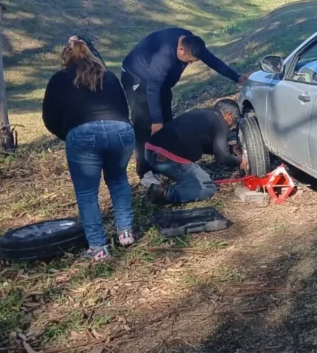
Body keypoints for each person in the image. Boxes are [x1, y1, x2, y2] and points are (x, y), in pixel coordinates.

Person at [42, 36, 136, 261]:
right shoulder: (109, 76)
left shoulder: (59, 79)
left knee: (87, 194)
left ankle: (98, 247)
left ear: (66, 58)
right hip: (121, 130)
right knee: (118, 180)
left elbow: (49, 117)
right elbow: (124, 109)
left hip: (83, 133)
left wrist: (68, 135)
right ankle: (125, 232)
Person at [120, 28, 242, 180]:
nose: (190, 64)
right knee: (146, 122)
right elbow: (152, 88)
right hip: (137, 77)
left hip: (159, 82)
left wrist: (237, 77)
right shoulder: (164, 56)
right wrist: (156, 121)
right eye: (189, 61)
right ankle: (145, 172)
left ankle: (166, 162)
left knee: (167, 121)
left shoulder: (193, 44)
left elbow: (213, 61)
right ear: (181, 50)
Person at [144, 98, 246, 205]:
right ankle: (164, 194)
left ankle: (173, 185)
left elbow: (204, 143)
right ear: (228, 115)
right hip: (168, 158)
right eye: (233, 121)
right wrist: (240, 161)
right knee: (207, 188)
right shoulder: (221, 122)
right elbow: (223, 157)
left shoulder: (200, 112)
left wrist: (230, 148)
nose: (231, 125)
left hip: (150, 150)